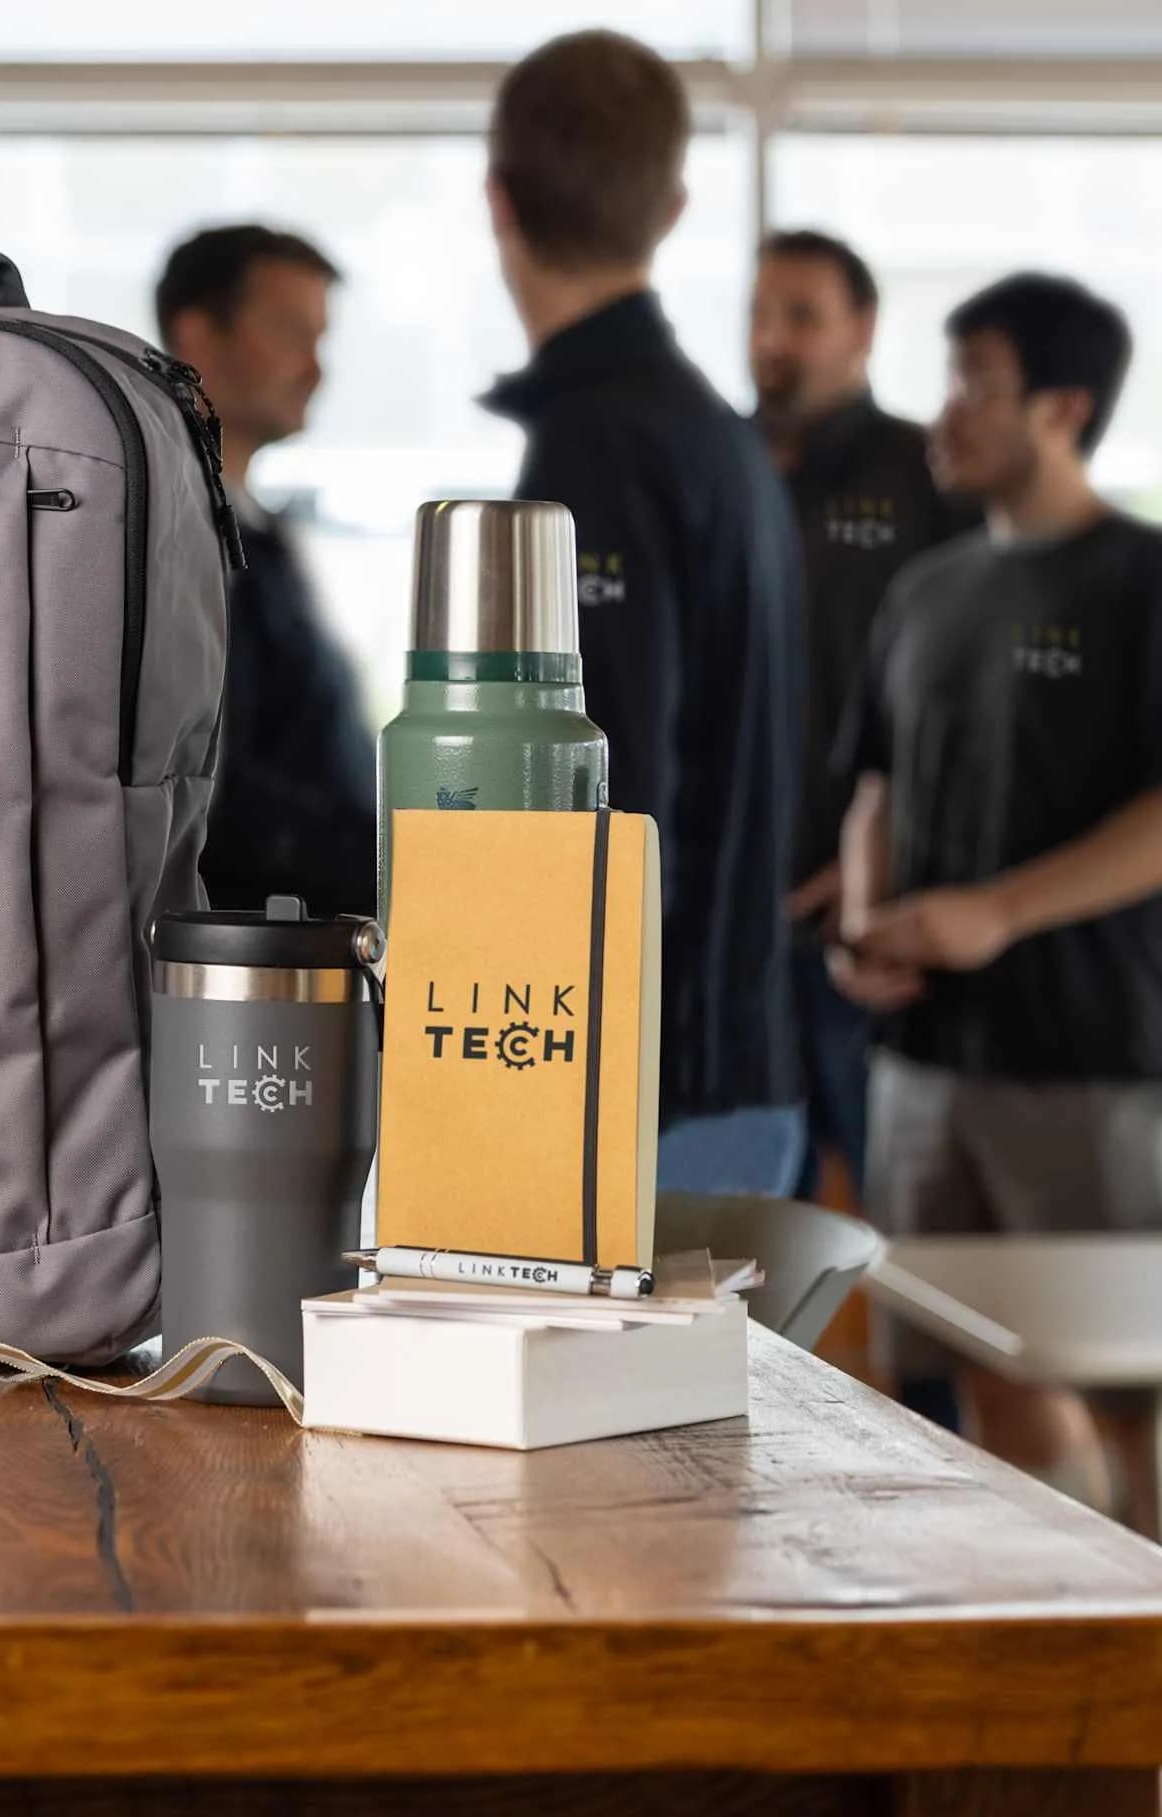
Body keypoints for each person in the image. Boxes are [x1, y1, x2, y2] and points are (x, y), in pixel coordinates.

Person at [833, 273, 1162, 1516]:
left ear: (1061, 407)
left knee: (1128, 1388)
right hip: (920, 1064)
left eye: (975, 385)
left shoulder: (1140, 579)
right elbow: (873, 784)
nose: (944, 415)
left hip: (1089, 1062)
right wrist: (860, 921)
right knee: (976, 1367)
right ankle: (1060, 1610)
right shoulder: (923, 590)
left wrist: (1000, 911)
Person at [478, 29, 806, 1193]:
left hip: (645, 1087)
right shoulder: (714, 438)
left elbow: (597, 795)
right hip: (723, 1063)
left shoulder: (602, 447)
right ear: (669, 210)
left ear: (496, 200)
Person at [749, 229, 982, 1198]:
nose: (773, 339)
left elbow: (962, 696)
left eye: (801, 316)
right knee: (742, 1217)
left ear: (863, 328)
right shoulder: (720, 468)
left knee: (893, 1204)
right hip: (729, 915)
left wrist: (870, 864)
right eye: (760, 315)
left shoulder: (926, 473)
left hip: (869, 908)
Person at [156, 225, 377, 918]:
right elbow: (212, 788)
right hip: (249, 947)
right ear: (198, 336)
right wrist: (393, 859)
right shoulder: (171, 539)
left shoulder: (256, 531)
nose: (315, 369)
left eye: (320, 339)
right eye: (288, 333)